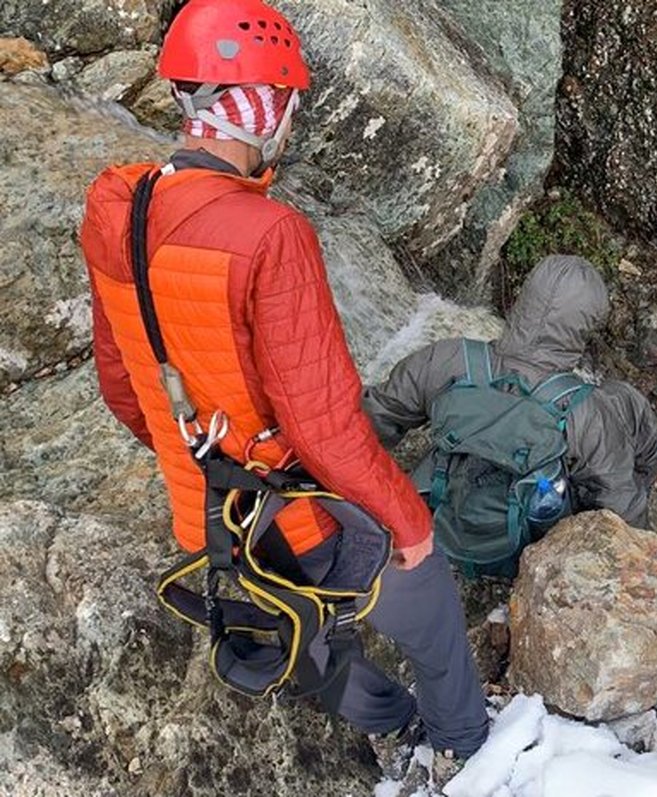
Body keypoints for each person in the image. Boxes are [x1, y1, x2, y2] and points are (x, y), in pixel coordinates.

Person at [79, 0, 487, 771]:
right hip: (299, 523)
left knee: (311, 636)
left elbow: (123, 385)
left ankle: (393, 725)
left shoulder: (113, 207)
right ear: (265, 108)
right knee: (424, 591)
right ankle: (465, 744)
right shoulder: (271, 234)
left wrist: (194, 451)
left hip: (206, 514)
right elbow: (323, 424)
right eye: (290, 105)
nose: (291, 124)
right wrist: (407, 524)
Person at [363, 254, 657, 572]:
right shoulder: (587, 411)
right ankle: (656, 473)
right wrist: (653, 564)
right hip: (525, 556)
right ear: (586, 325)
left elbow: (373, 419)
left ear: (524, 301)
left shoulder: (447, 358)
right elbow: (619, 507)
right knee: (623, 401)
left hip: (427, 529)